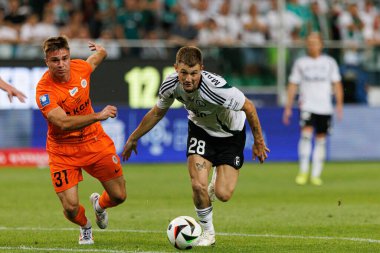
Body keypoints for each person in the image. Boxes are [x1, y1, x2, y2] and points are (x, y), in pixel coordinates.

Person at [122, 46, 269, 246]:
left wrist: (259, 142)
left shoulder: (217, 89)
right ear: (176, 69)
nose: (188, 78)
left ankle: (216, 180)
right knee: (197, 185)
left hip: (230, 135)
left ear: (202, 69)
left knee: (223, 194)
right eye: (183, 73)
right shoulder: (170, 85)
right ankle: (208, 234)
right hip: (200, 131)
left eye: (194, 73)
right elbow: (157, 112)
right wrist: (133, 137)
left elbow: (249, 107)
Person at [35, 36, 126, 245]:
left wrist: (102, 50)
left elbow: (95, 59)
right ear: (46, 62)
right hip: (62, 150)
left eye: (64, 58)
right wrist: (98, 115)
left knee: (119, 196)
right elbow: (63, 123)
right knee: (70, 207)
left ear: (69, 56)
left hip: (94, 141)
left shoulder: (79, 68)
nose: (61, 64)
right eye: (55, 60)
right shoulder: (44, 91)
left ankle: (99, 206)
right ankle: (85, 227)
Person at [283, 32, 343, 186]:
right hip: (307, 105)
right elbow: (292, 85)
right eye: (309, 42)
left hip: (325, 107)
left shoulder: (329, 62)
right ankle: (303, 171)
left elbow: (337, 84)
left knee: (321, 140)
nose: (312, 45)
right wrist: (288, 107)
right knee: (305, 136)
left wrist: (339, 105)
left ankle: (316, 174)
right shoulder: (301, 63)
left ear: (321, 44)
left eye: (315, 42)